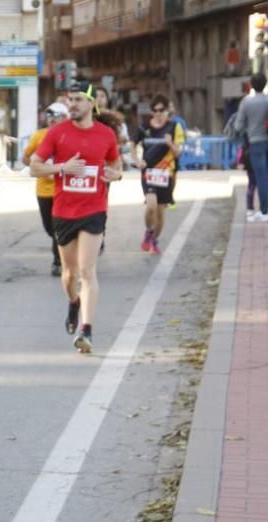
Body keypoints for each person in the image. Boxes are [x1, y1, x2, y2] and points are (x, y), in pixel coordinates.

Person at [30, 81, 122, 354]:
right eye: (70, 99)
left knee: (86, 271)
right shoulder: (57, 133)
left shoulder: (106, 134)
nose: (72, 104)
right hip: (63, 211)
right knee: (69, 274)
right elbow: (34, 167)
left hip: (94, 210)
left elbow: (115, 164)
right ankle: (73, 302)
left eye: (79, 99)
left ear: (92, 104)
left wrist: (114, 174)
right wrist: (62, 168)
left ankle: (87, 330)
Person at [133, 94, 184, 255]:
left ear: (167, 110)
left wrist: (170, 143)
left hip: (166, 174)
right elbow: (132, 144)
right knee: (151, 206)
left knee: (160, 212)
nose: (158, 113)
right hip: (148, 172)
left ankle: (154, 239)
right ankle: (149, 231)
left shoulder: (174, 127)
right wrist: (136, 160)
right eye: (155, 110)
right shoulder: (144, 127)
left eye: (161, 110)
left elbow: (177, 153)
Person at [23, 101, 69, 277]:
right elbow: (26, 158)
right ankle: (61, 253)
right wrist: (39, 167)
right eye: (49, 116)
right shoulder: (39, 136)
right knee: (50, 228)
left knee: (58, 227)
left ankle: (58, 262)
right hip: (43, 190)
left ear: (64, 118)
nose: (51, 120)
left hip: (62, 189)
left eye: (56, 116)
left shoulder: (69, 136)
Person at [234, 72, 268, 222]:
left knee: (261, 177)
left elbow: (238, 126)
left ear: (252, 84)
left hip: (256, 143)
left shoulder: (247, 102)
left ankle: (265, 210)